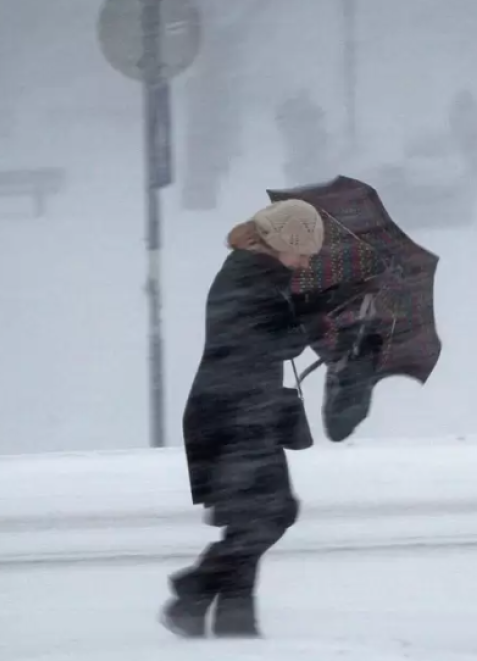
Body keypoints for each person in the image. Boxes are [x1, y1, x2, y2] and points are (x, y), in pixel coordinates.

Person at [161, 199, 326, 639]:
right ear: (282, 242)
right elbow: (281, 340)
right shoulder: (250, 278)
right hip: (234, 414)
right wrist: (317, 318)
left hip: (235, 409)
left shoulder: (252, 274)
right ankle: (193, 589)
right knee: (272, 514)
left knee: (251, 519)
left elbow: (278, 332)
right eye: (304, 252)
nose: (307, 261)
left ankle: (234, 624)